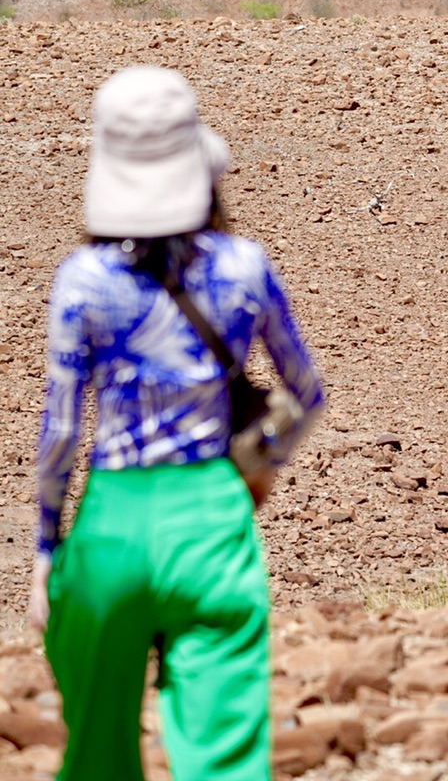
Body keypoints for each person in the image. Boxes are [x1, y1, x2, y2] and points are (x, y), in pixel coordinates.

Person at [29, 66, 326, 781]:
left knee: (96, 750)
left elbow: (63, 431)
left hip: (112, 527)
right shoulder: (244, 266)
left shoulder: (83, 280)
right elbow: (307, 392)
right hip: (213, 519)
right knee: (223, 756)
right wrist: (258, 463)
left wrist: (45, 553)